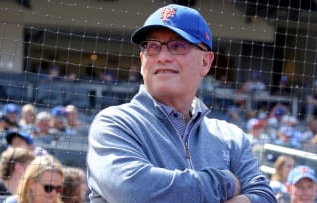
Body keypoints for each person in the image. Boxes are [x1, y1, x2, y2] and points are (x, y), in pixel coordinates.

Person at [87, 4, 276, 203]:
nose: (162, 57)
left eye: (178, 46)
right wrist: (226, 181)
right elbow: (134, 191)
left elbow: (264, 197)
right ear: (142, 60)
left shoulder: (231, 138)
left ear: (205, 62)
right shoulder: (115, 124)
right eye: (152, 47)